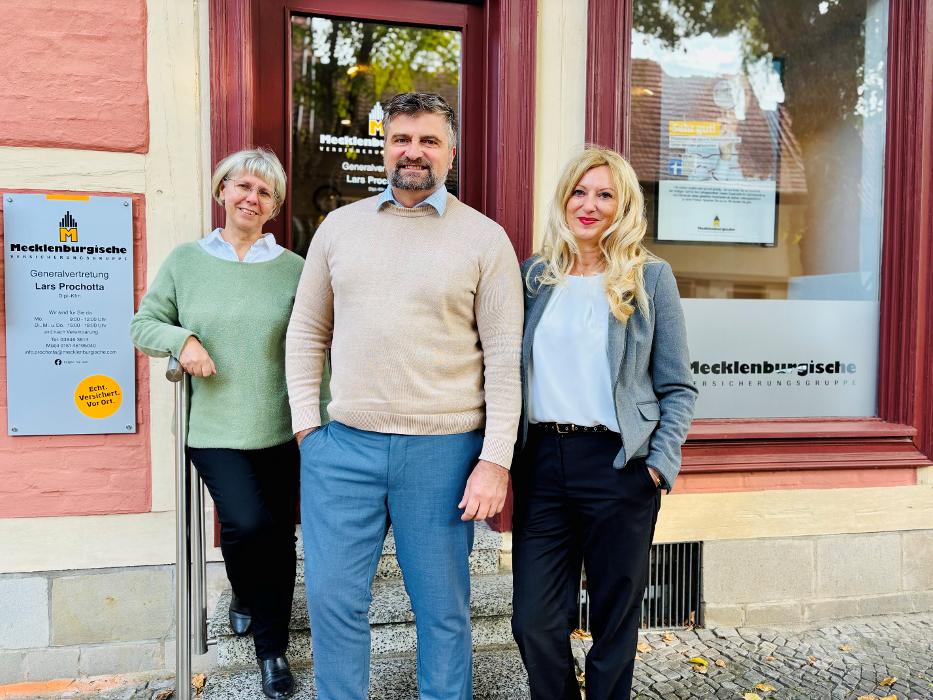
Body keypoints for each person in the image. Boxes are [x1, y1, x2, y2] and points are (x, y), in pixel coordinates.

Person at [285, 92, 523, 700]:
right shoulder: (339, 228)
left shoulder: (485, 239)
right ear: (385, 146)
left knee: (442, 611)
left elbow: (504, 358)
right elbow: (307, 331)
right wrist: (308, 430)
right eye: (401, 139)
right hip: (344, 450)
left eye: (429, 141)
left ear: (451, 152)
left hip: (444, 453)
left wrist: (495, 459)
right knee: (333, 602)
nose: (413, 152)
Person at [510, 147, 697, 700]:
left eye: (604, 194)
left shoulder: (650, 278)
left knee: (615, 622)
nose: (589, 205)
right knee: (534, 621)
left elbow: (678, 386)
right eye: (579, 192)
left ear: (624, 206)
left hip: (620, 465)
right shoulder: (534, 276)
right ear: (564, 199)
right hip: (542, 464)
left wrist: (658, 465)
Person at [131, 148, 308, 699]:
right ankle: (245, 592)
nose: (252, 198)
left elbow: (314, 347)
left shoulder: (294, 269)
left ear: (274, 206)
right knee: (246, 524)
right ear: (222, 191)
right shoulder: (187, 261)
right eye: (243, 186)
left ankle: (272, 651)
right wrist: (182, 340)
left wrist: (318, 419)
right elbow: (144, 323)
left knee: (277, 538)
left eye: (264, 192)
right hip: (211, 428)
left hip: (280, 425)